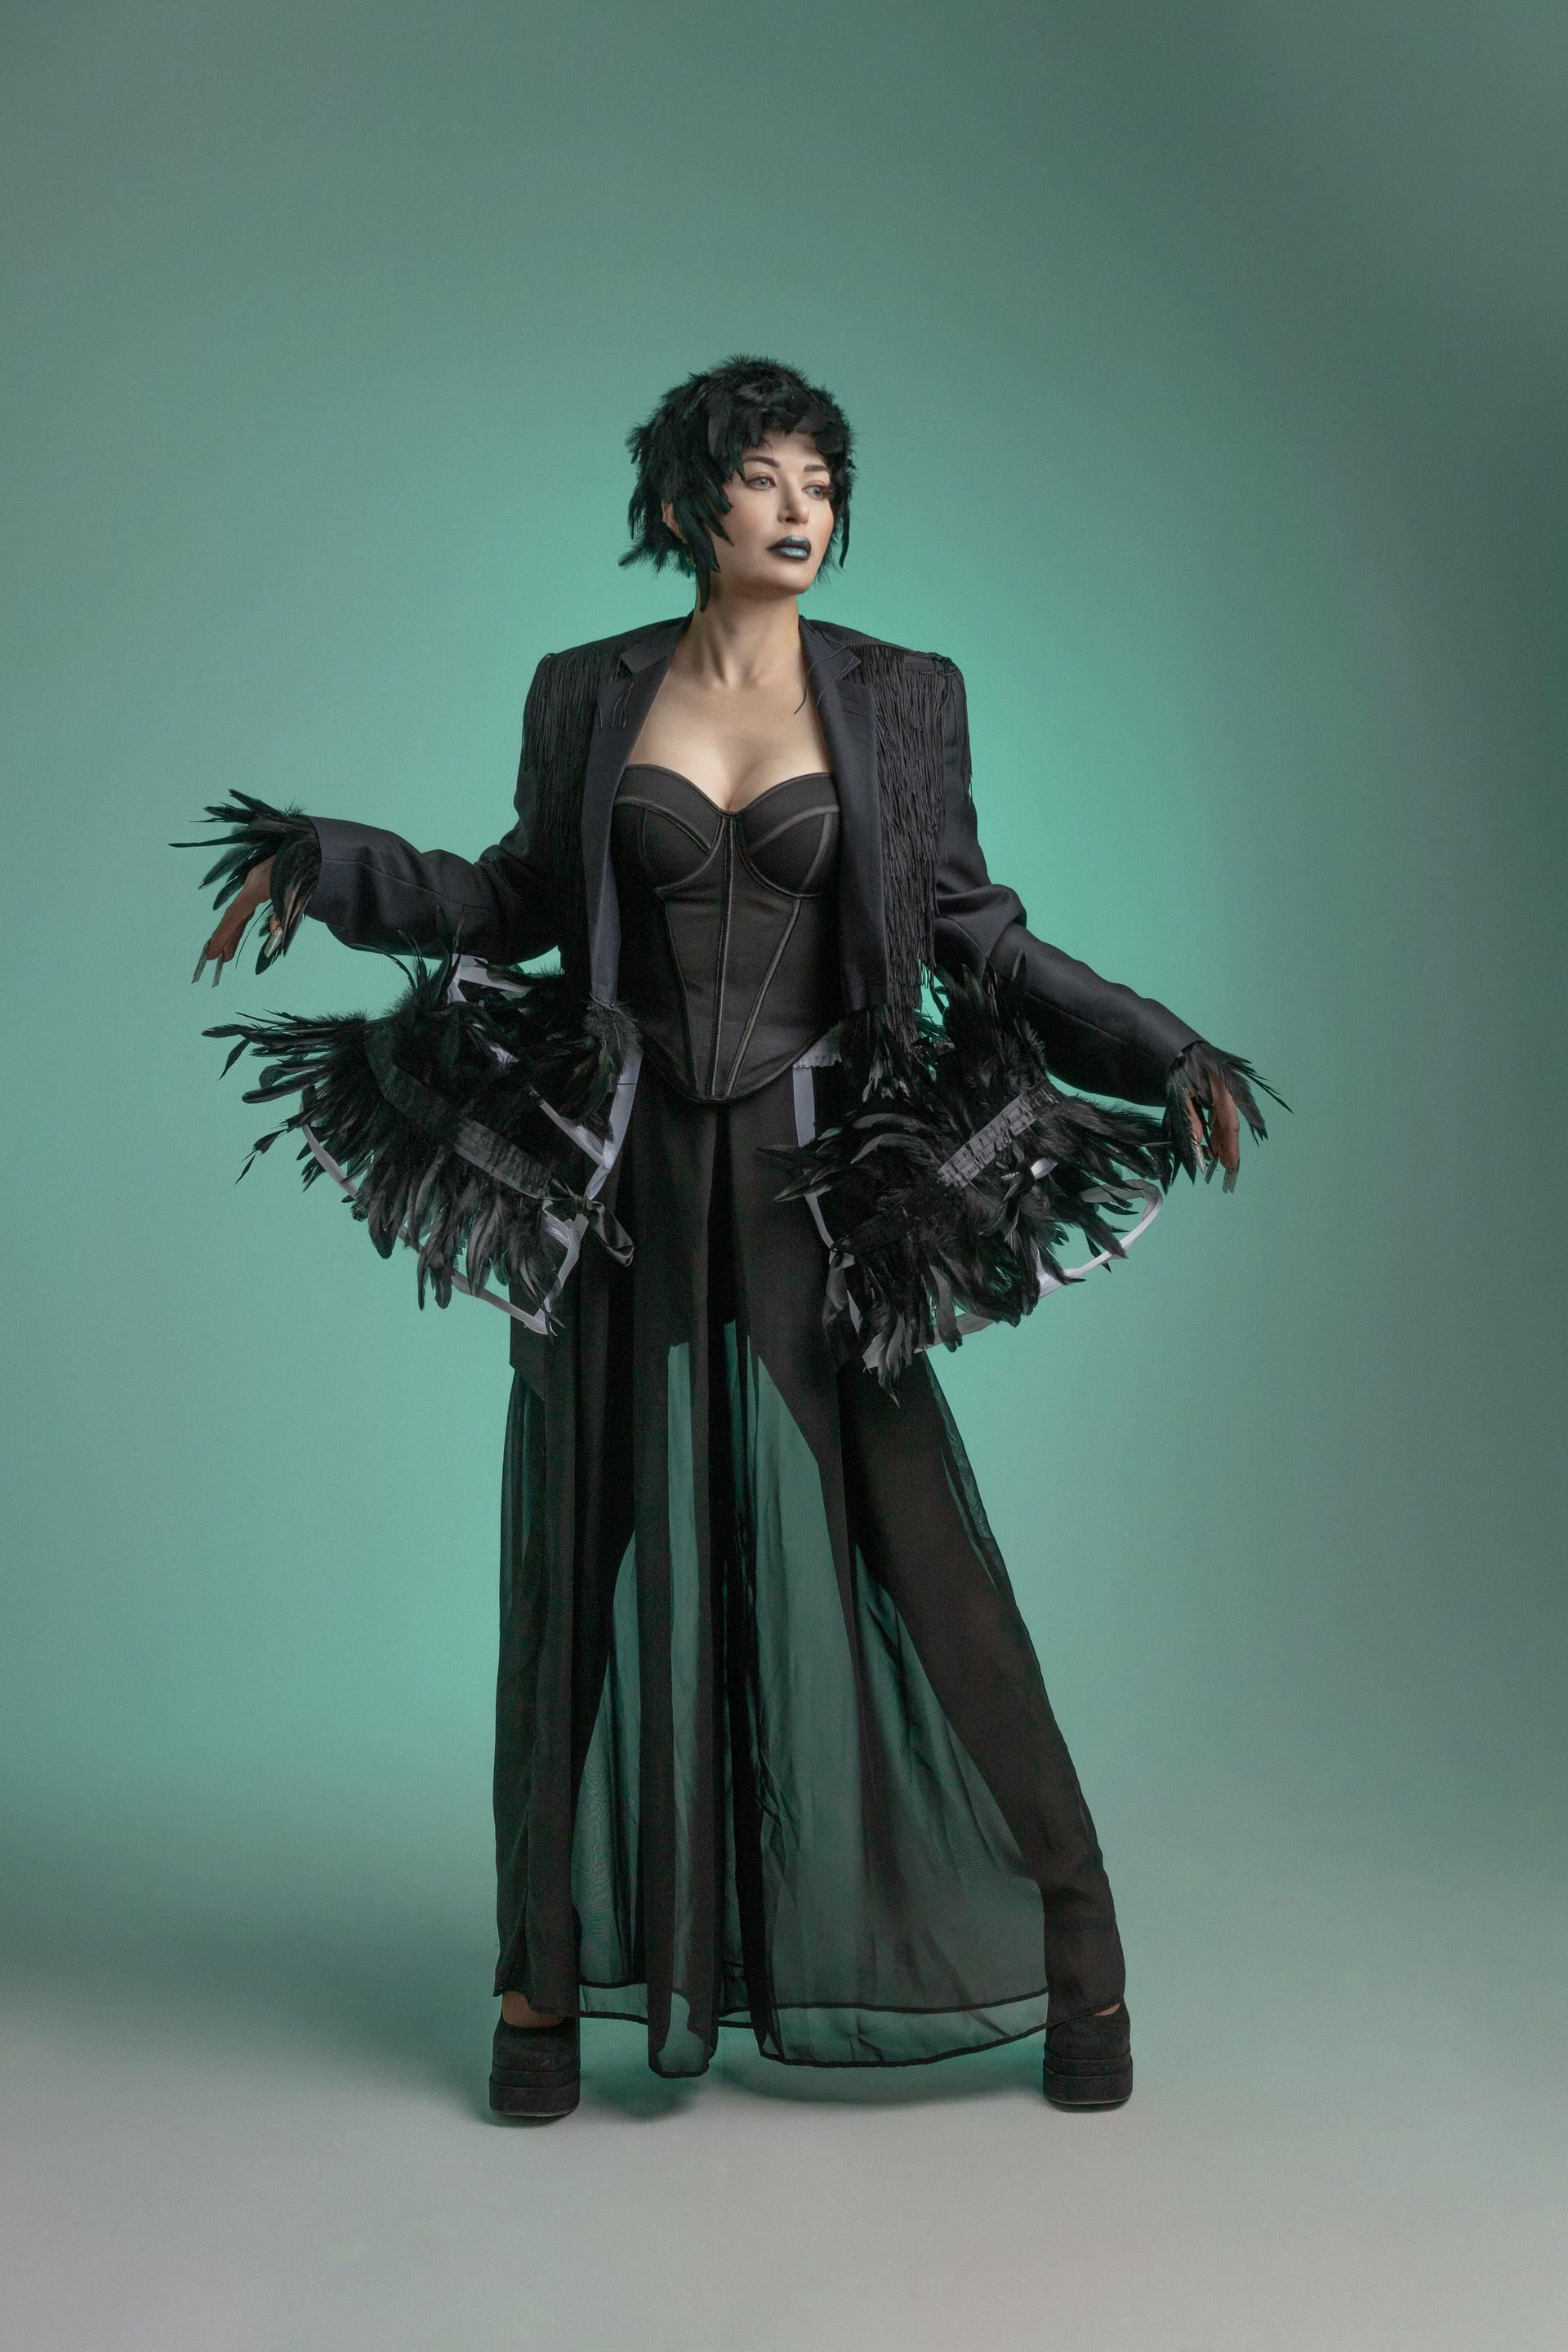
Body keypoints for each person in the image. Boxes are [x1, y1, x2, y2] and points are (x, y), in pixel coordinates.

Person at [189, 355, 1271, 2122]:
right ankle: (540, 1991)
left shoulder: (904, 696)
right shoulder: (586, 690)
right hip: (617, 1187)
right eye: (765, 478)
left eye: (821, 483)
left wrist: (1159, 1048)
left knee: (930, 1562)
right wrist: (328, 865)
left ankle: (1084, 1971)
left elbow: (975, 934)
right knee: (573, 1577)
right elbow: (516, 901)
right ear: (692, 503)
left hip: (813, 1194)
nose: (800, 510)